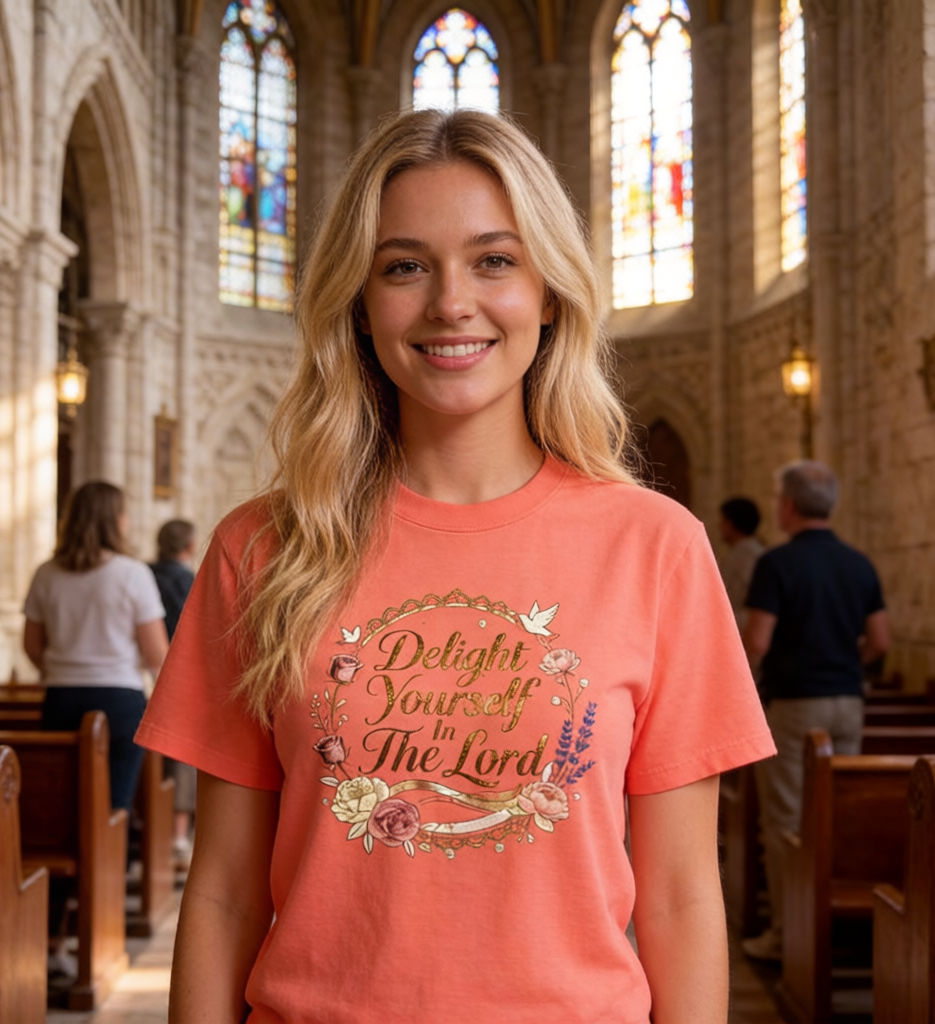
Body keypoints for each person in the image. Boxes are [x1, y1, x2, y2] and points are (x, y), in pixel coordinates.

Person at [136, 109, 774, 1024]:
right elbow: (227, 890)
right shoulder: (264, 549)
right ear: (358, 302)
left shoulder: (656, 545)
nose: (449, 303)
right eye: (404, 266)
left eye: (494, 260)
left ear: (549, 291)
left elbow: (680, 895)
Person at [741, 460, 889, 962]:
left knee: (787, 817)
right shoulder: (859, 563)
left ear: (786, 505)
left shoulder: (777, 565)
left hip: (795, 703)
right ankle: (834, 929)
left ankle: (790, 936)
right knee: (836, 814)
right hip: (849, 700)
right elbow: (880, 641)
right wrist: (845, 662)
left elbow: (758, 639)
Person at [23, 480, 169, 811]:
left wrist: (63, 667)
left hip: (61, 696)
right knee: (113, 804)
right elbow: (156, 653)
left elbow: (31, 645)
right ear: (115, 520)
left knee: (65, 798)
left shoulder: (46, 574)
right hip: (119, 697)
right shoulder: (132, 573)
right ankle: (110, 861)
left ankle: (70, 860)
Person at [149, 519, 199, 869]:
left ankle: (154, 833)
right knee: (181, 758)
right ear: (190, 546)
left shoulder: (143, 573)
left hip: (142, 675)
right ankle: (179, 837)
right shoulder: (187, 580)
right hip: (176, 674)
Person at [717, 496, 765, 629]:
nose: (719, 525)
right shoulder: (753, 551)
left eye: (722, 520)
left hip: (741, 626)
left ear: (730, 523)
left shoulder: (743, 555)